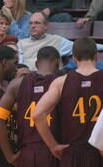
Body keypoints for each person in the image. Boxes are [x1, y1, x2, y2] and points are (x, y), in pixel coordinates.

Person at [33, 38, 103, 167]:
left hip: (71, 154)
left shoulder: (61, 82)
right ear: (96, 56)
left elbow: (37, 114)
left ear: (74, 58)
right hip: (98, 152)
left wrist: (52, 145)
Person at [0, 46, 60, 167]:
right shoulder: (62, 83)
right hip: (54, 152)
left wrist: (9, 156)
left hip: (27, 153)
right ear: (58, 63)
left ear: (36, 63)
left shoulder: (16, 84)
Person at [18, 12, 103, 71]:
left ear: (46, 26)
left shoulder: (56, 40)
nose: (33, 26)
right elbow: (20, 67)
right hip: (29, 80)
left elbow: (82, 47)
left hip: (53, 80)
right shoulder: (21, 43)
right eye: (30, 23)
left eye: (37, 23)